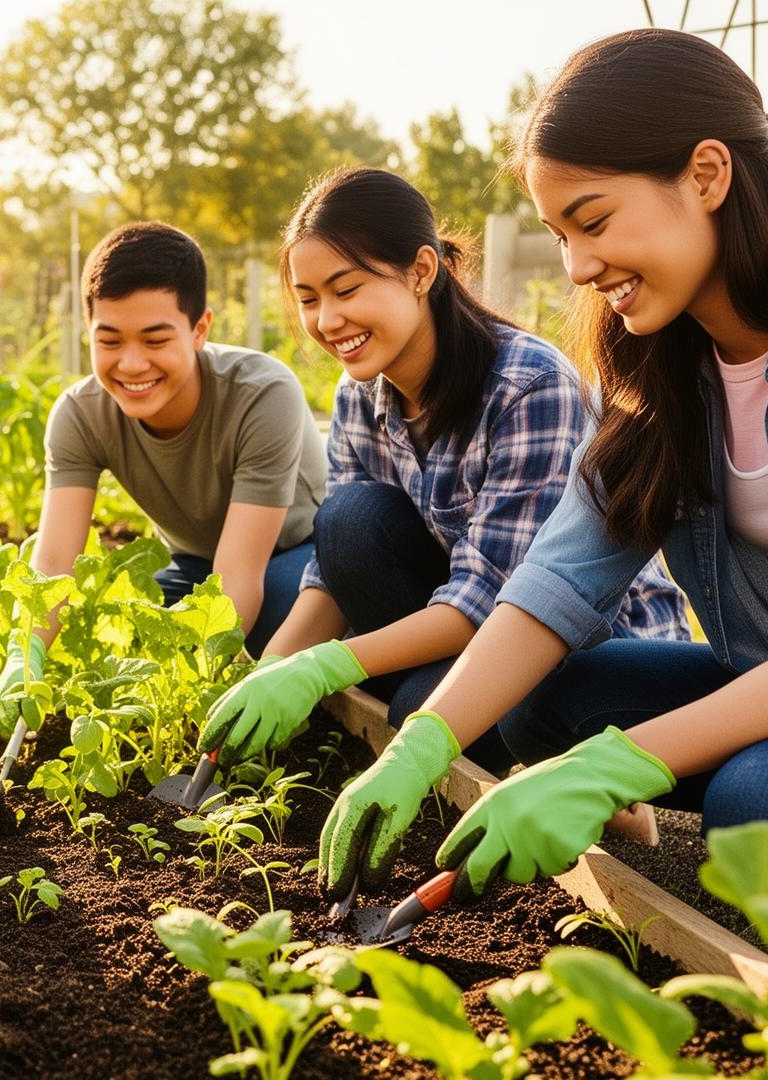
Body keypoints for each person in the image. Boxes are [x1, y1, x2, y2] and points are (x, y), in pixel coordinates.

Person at [321, 28, 768, 919]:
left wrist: (610, 769)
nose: (578, 266)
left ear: (708, 175)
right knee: (547, 700)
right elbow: (559, 577)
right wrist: (421, 743)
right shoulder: (665, 359)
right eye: (559, 233)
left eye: (595, 221)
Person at [197, 168, 686, 779]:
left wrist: (326, 665)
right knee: (348, 522)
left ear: (422, 272)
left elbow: (488, 600)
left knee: (411, 709)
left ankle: (572, 771)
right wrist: (270, 668)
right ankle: (436, 711)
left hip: (579, 646)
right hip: (463, 622)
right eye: (308, 299)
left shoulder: (527, 387)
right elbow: (336, 571)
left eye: (346, 290)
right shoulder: (362, 395)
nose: (327, 320)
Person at [0, 222, 326, 716]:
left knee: (267, 621)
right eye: (109, 341)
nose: (130, 364)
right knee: (121, 635)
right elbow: (55, 556)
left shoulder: (262, 393)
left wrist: (195, 697)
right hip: (194, 563)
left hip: (297, 553)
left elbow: (239, 571)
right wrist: (26, 653)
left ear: (199, 330)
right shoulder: (80, 414)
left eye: (154, 340)